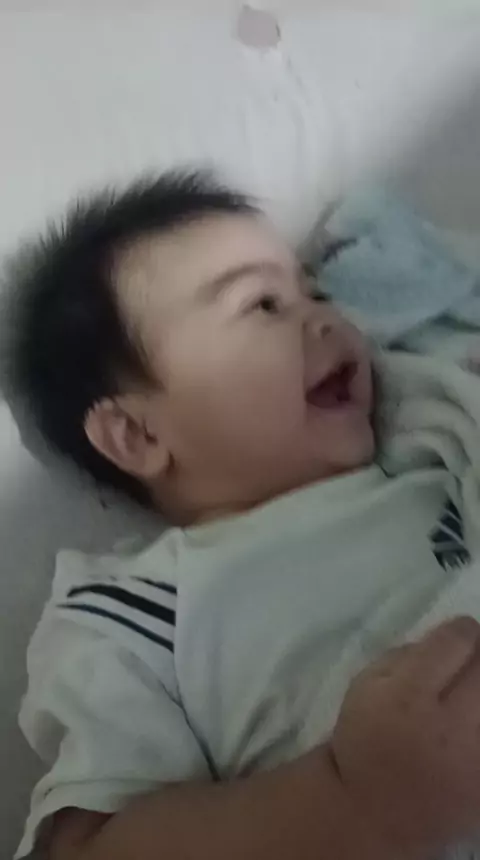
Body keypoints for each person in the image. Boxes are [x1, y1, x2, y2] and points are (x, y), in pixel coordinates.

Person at [6, 170, 480, 860]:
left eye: (314, 294)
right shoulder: (135, 614)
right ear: (137, 434)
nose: (327, 318)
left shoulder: (428, 445)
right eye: (263, 305)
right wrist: (355, 798)